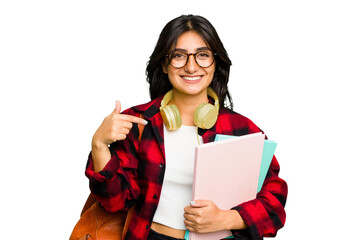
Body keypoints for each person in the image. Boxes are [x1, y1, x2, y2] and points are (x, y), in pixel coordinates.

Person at [85, 14, 287, 240]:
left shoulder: (243, 129)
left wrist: (227, 218)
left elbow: (274, 204)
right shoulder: (138, 122)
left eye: (202, 55)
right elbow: (115, 203)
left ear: (215, 63)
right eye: (178, 56)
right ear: (164, 63)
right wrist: (99, 145)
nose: (191, 67)